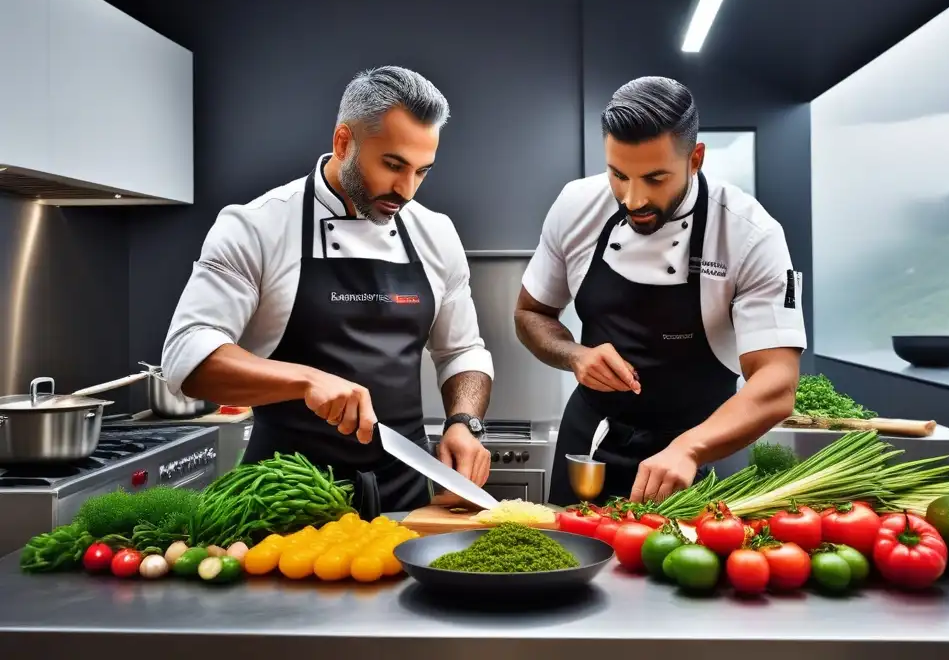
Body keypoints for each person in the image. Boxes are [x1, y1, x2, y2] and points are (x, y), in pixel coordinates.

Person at [161, 65, 494, 513]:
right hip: (283, 496)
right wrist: (305, 379)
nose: (407, 190)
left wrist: (464, 422)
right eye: (393, 165)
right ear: (343, 142)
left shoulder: (436, 233)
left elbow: (462, 352)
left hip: (407, 500)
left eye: (422, 171)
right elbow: (187, 357)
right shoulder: (256, 225)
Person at [514, 76, 806, 507]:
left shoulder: (749, 234)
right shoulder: (575, 205)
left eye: (655, 178)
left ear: (695, 159)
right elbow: (530, 314)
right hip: (590, 447)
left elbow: (777, 384)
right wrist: (576, 356)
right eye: (618, 175)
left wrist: (691, 448)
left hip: (702, 454)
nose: (633, 200)